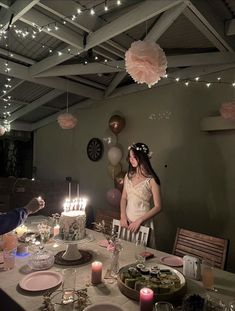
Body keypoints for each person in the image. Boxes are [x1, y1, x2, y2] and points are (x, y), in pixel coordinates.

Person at [120, 142, 161, 247]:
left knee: (142, 256)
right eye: (130, 157)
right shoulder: (128, 176)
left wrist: (140, 220)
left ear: (142, 157)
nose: (131, 159)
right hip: (127, 222)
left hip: (143, 223)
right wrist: (123, 216)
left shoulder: (151, 180)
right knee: (125, 251)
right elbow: (124, 198)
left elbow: (158, 207)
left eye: (134, 157)